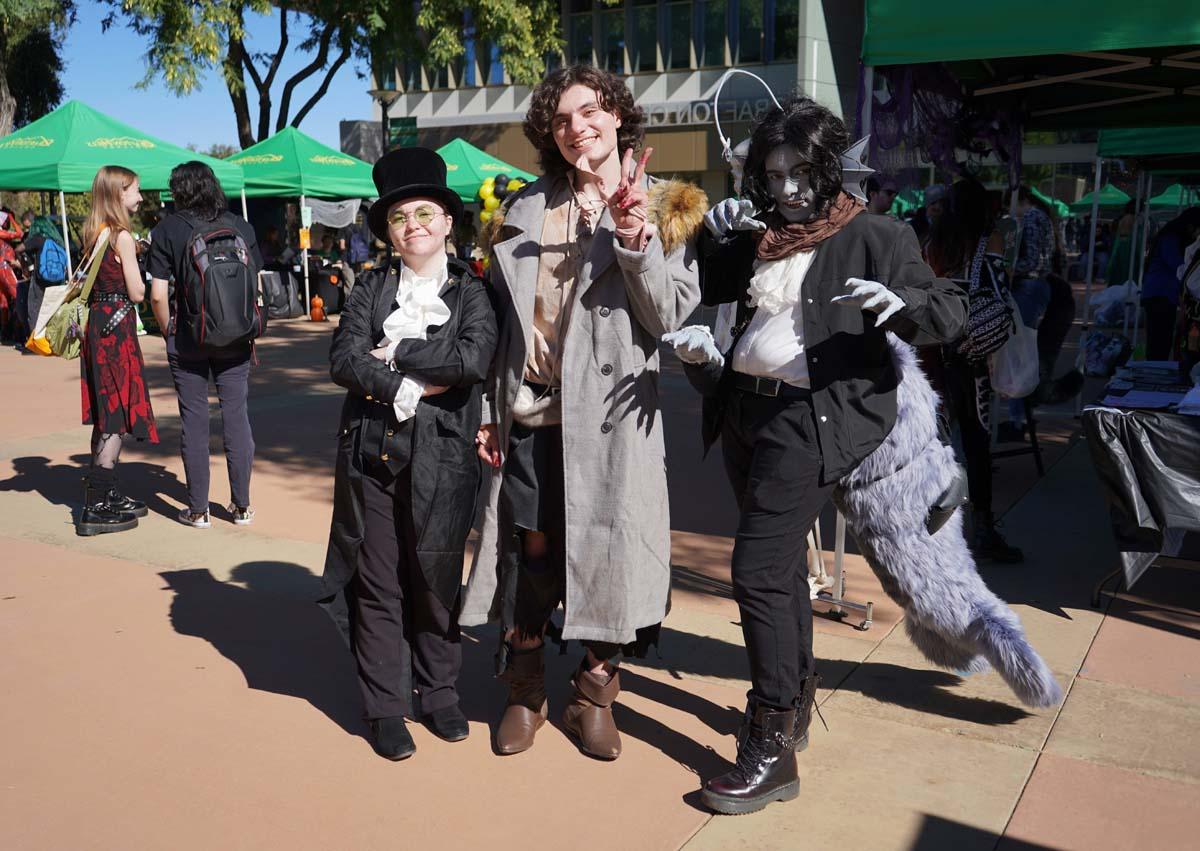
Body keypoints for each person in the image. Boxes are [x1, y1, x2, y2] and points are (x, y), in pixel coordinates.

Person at [664, 93, 965, 814]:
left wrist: (905, 307)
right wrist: (714, 235)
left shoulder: (877, 235)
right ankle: (795, 703)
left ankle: (771, 743)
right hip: (743, 415)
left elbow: (949, 309)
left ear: (828, 169)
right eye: (773, 175)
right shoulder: (762, 231)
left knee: (758, 569)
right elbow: (713, 288)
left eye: (801, 172)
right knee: (783, 575)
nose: (789, 189)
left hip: (811, 422)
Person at [462, 64, 705, 761]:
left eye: (591, 111)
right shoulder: (524, 207)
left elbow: (669, 315)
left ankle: (595, 691)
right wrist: (488, 406)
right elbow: (503, 323)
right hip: (532, 410)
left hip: (615, 425)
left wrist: (634, 238)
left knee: (609, 551)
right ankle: (526, 687)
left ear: (619, 115)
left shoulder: (666, 205)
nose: (578, 128)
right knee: (531, 549)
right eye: (563, 119)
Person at [319, 147, 498, 761]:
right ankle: (385, 705)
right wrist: (399, 383)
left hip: (445, 461)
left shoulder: (474, 293)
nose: (413, 224)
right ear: (388, 230)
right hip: (371, 455)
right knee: (378, 585)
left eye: (425, 213)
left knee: (436, 580)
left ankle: (440, 692)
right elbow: (344, 360)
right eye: (400, 217)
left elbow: (471, 360)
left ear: (448, 221)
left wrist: (394, 356)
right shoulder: (369, 287)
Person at [148, 162, 262, 528]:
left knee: (194, 420)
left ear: (178, 191)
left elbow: (157, 295)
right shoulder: (240, 226)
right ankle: (241, 506)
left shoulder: (166, 230)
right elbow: (254, 284)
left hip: (188, 339)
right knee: (236, 416)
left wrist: (169, 331)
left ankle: (198, 510)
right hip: (236, 337)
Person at [925, 178, 1023, 562]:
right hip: (972, 353)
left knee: (936, 441)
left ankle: (934, 525)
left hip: (931, 352)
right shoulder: (989, 241)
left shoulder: (932, 243)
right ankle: (982, 528)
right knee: (977, 440)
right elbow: (1001, 291)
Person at [77, 166, 159, 536]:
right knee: (117, 413)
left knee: (105, 408)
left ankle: (107, 493)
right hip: (118, 328)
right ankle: (97, 502)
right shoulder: (121, 237)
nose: (140, 197)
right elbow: (139, 292)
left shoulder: (94, 232)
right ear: (118, 194)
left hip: (98, 326)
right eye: (135, 191)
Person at [1142, 207, 1200, 361]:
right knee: (1159, 340)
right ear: (1190, 226)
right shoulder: (1170, 239)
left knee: (1162, 339)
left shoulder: (1171, 238)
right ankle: (1154, 370)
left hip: (1162, 294)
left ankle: (1155, 366)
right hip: (1160, 294)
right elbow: (1179, 266)